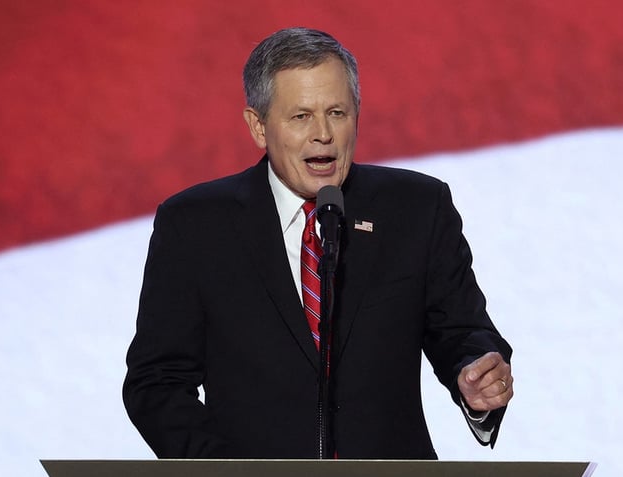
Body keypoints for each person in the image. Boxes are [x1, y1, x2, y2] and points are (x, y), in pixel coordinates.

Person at [123, 27, 513, 459]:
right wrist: (226, 471)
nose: (323, 134)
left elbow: (463, 332)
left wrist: (476, 375)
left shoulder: (417, 208)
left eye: (337, 113)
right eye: (301, 116)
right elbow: (157, 382)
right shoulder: (195, 225)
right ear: (258, 126)